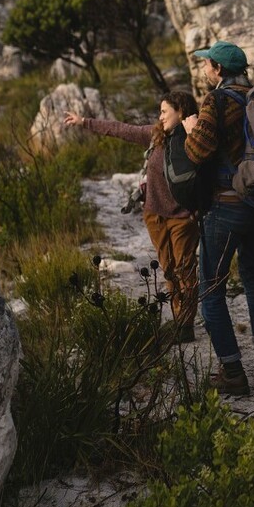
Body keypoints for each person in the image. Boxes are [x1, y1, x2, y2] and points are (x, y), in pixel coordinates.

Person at [180, 40, 254, 396]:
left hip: (224, 206)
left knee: (211, 290)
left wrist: (191, 128)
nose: (205, 69)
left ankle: (233, 371)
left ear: (218, 69)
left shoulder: (217, 100)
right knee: (253, 277)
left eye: (207, 64)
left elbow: (197, 153)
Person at [64, 91, 201, 342]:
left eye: (164, 112)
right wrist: (84, 122)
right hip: (155, 214)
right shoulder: (156, 135)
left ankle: (185, 325)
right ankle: (178, 315)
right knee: (168, 269)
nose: (160, 117)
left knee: (185, 270)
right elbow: (121, 129)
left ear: (181, 111)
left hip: (184, 217)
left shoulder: (195, 138)